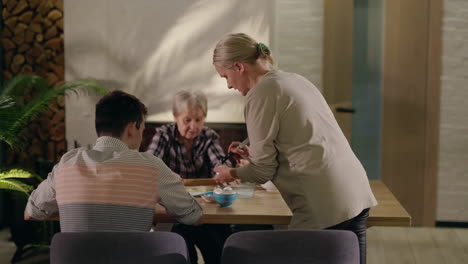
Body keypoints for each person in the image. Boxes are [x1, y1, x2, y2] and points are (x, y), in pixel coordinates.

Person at [212, 33, 377, 264]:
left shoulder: (261, 93)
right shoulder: (294, 80)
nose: (229, 85)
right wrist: (255, 158)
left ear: (238, 67)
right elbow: (304, 144)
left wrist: (230, 173)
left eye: (225, 77)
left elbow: (261, 172)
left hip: (323, 205)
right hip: (354, 192)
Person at [24, 90, 203, 233]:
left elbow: (31, 213)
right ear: (132, 128)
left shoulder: (67, 163)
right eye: (142, 128)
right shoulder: (151, 167)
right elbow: (193, 216)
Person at [146, 90, 230, 264]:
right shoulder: (164, 135)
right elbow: (149, 166)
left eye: (199, 120)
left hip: (205, 207)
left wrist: (223, 170)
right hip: (175, 206)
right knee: (184, 252)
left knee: (218, 247)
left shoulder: (209, 136)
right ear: (176, 117)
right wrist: (168, 176)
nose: (193, 126)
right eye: (187, 120)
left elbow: (219, 162)